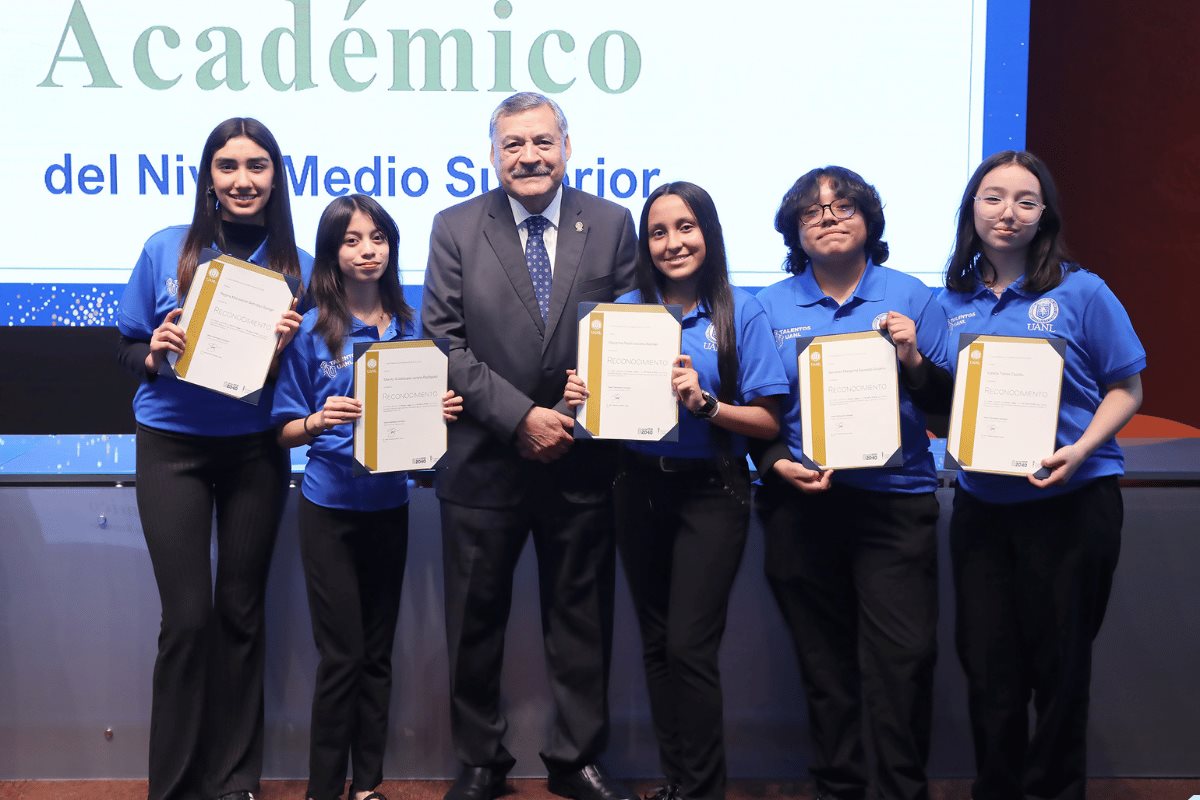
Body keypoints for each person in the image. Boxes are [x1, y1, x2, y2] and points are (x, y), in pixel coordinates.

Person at [420, 91, 638, 800]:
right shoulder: (454, 227)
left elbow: (629, 334)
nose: (529, 156)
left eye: (542, 142)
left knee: (581, 620)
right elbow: (444, 342)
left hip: (580, 459)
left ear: (567, 148)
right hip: (484, 462)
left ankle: (575, 758)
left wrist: (567, 417)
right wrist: (522, 418)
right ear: (493, 154)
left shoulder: (610, 224)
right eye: (513, 144)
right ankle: (481, 760)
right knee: (473, 623)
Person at [564, 182, 788, 800]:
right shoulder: (623, 312)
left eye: (685, 227)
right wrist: (579, 401)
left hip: (712, 491)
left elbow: (769, 421)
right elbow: (596, 416)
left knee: (691, 647)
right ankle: (679, 783)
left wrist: (708, 405)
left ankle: (702, 792)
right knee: (658, 645)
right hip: (636, 487)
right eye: (658, 232)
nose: (672, 243)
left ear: (708, 234)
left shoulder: (742, 310)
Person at [115, 117, 312, 800]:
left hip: (256, 451)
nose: (242, 179)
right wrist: (154, 352)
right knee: (189, 619)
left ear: (275, 177)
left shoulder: (301, 270)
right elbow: (125, 350)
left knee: (240, 613)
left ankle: (234, 783)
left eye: (257, 166)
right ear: (208, 178)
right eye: (227, 166)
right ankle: (173, 786)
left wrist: (287, 348)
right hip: (173, 447)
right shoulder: (166, 249)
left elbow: (310, 377)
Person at [938, 150, 1144, 800]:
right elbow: (941, 401)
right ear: (973, 209)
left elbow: (1127, 388)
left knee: (1060, 673)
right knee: (988, 673)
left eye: (1026, 200)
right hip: (981, 512)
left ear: (1044, 214)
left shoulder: (1083, 291)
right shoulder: (952, 303)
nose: (1009, 211)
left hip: (1072, 505)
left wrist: (1080, 448)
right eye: (993, 197)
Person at [752, 166, 951, 800]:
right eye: (812, 212)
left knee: (904, 661)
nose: (828, 218)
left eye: (843, 208)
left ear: (870, 221)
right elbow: (756, 410)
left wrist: (914, 360)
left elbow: (948, 411)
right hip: (803, 506)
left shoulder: (914, 296)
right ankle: (839, 786)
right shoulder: (767, 306)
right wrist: (775, 460)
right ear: (795, 232)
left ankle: (900, 790)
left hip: (896, 505)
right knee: (825, 667)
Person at [273, 194, 463, 800]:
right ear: (333, 252)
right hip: (328, 508)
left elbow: (425, 428)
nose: (367, 251)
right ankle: (325, 789)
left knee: (378, 656)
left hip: (391, 507)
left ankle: (369, 786)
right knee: (343, 658)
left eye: (377, 238)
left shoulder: (413, 327)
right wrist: (319, 420)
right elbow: (281, 429)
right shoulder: (308, 329)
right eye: (352, 240)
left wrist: (444, 415)